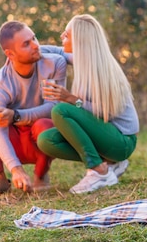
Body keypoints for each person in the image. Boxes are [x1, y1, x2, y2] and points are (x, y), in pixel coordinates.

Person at [37, 14, 139, 194]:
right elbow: (55, 51)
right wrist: (27, 50)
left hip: (122, 140)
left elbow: (106, 113)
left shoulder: (102, 70)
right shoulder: (80, 59)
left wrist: (71, 99)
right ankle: (108, 165)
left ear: (80, 40)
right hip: (104, 134)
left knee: (61, 111)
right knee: (46, 140)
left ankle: (99, 171)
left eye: (67, 34)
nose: (62, 36)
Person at [0, 21, 68, 195]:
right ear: (10, 54)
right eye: (26, 44)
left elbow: (53, 107)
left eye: (34, 38)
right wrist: (16, 169)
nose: (36, 45)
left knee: (46, 122)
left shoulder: (54, 64)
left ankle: (41, 176)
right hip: (13, 142)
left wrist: (17, 116)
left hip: (39, 137)